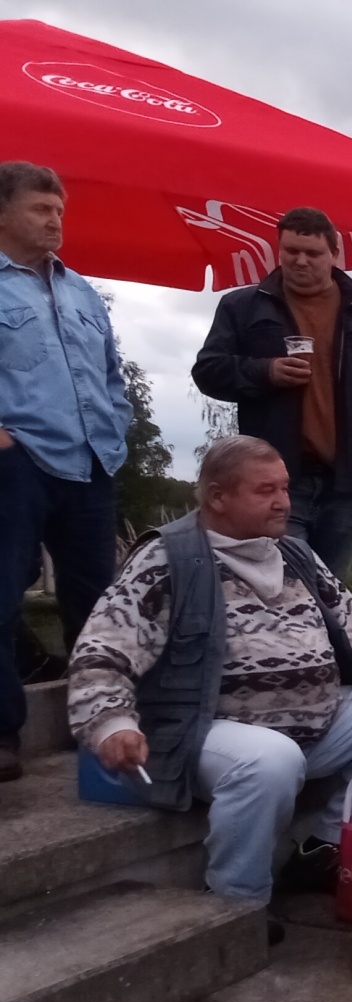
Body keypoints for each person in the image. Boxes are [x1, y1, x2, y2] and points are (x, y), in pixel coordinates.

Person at [68, 437, 352, 904]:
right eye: (265, 490)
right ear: (218, 496)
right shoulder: (168, 558)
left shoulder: (296, 554)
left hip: (315, 727)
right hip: (201, 733)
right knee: (268, 760)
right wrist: (111, 723)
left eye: (285, 488)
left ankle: (326, 850)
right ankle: (236, 903)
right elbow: (101, 648)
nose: (283, 502)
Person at [192, 207, 352, 580]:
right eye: (291, 251)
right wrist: (265, 371)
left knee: (330, 590)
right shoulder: (242, 308)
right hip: (276, 481)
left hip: (349, 484)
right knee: (280, 584)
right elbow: (208, 371)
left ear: (334, 254)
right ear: (279, 251)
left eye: (313, 253)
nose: (301, 261)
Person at [0, 161, 130, 783]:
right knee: (2, 595)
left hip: (91, 461)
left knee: (98, 604)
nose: (55, 221)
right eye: (40, 209)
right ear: (3, 213)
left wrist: (117, 427)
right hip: (16, 460)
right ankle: (2, 734)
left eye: (59, 210)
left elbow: (111, 374)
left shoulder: (81, 291)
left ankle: (102, 726)